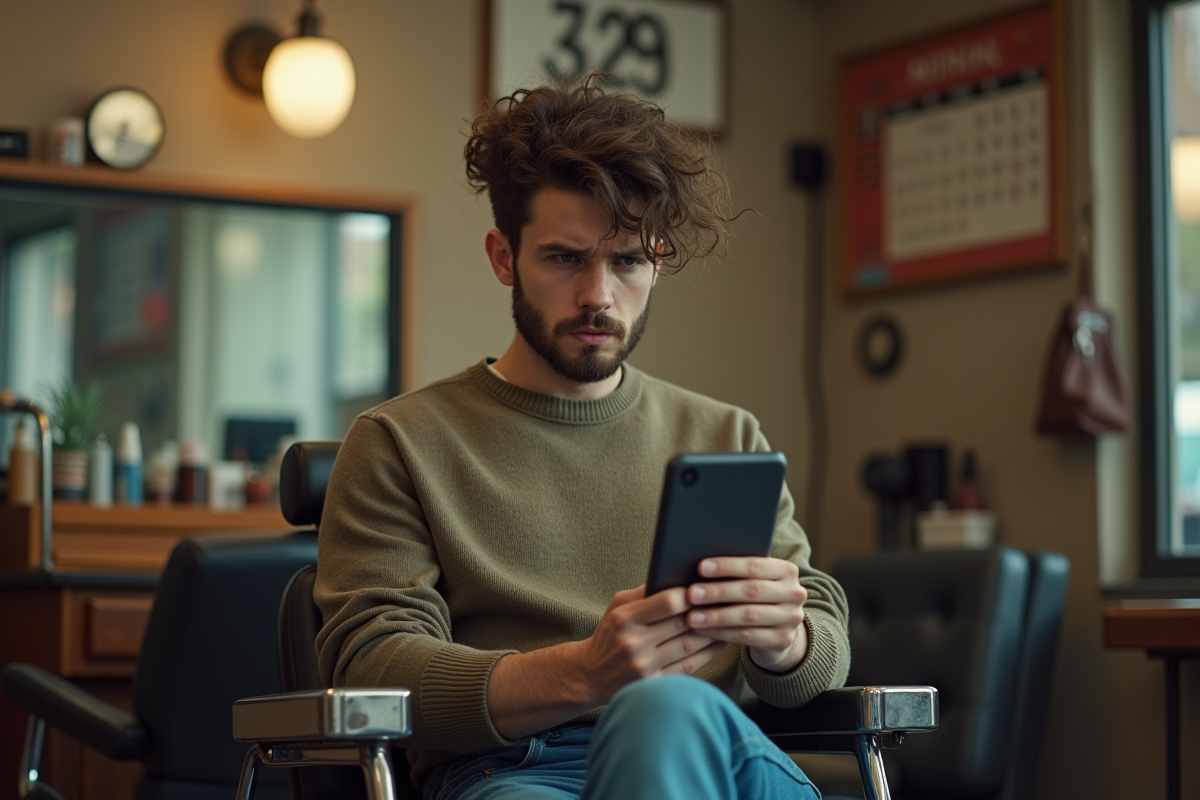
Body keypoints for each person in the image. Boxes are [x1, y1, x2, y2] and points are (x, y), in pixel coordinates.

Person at [315, 76, 850, 800]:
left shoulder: (726, 434)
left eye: (627, 261)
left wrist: (788, 643)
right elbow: (372, 668)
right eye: (566, 258)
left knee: (666, 708)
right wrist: (584, 672)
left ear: (656, 261)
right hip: (520, 770)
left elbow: (818, 639)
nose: (598, 295)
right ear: (504, 258)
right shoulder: (400, 443)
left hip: (716, 758)